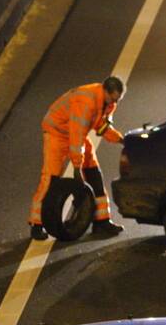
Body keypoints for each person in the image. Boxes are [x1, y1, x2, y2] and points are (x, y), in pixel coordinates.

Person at [29, 76, 127, 240]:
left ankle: (102, 221)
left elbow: (101, 126)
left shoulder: (108, 102)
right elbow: (77, 135)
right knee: (50, 179)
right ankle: (36, 224)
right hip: (57, 134)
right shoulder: (85, 101)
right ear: (105, 90)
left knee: (94, 174)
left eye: (116, 100)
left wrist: (120, 139)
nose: (113, 104)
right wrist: (76, 165)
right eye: (112, 99)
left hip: (76, 133)